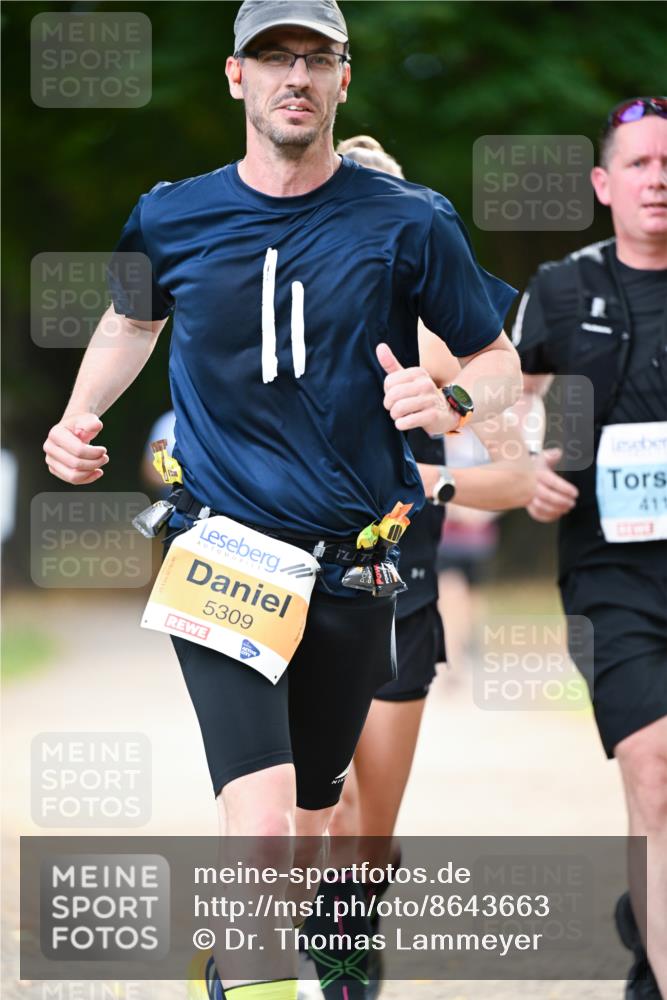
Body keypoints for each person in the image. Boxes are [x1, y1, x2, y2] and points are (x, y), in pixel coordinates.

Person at [42, 2, 522, 997]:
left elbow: (496, 360)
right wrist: (78, 416)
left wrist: (451, 400)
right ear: (236, 76)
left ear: (343, 78)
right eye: (272, 58)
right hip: (222, 552)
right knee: (259, 826)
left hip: (354, 567)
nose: (293, 76)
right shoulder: (168, 215)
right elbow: (131, 320)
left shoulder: (411, 219)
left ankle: (235, 964)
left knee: (308, 830)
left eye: (315, 58)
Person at [513, 97, 667, 999]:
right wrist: (522, 469)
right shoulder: (563, 289)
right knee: (655, 768)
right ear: (603, 184)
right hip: (610, 570)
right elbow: (501, 398)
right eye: (640, 163)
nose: (659, 179)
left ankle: (647, 944)